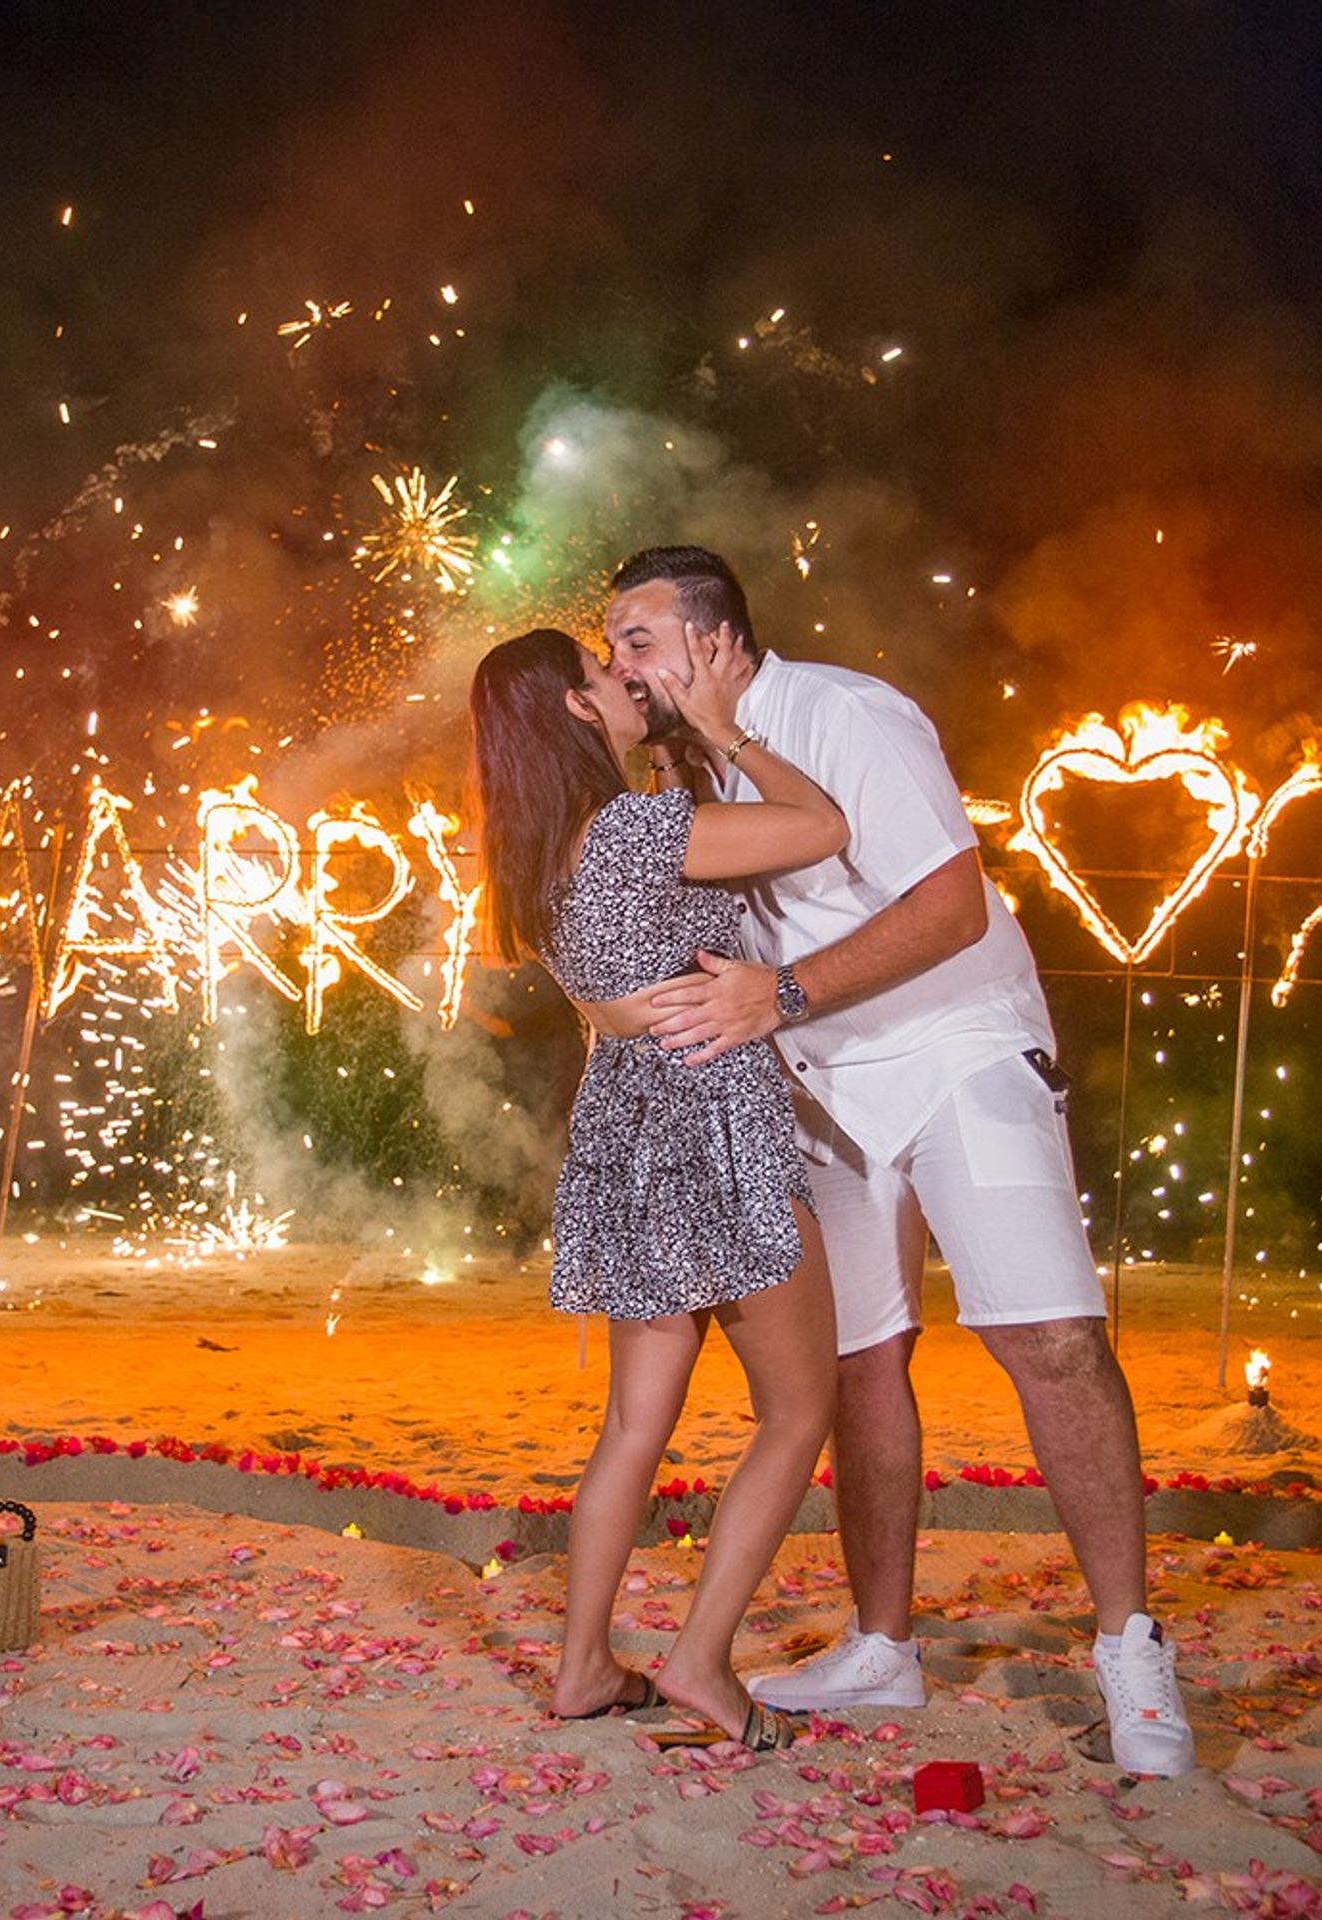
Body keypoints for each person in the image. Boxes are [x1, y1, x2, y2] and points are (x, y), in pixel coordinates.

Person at [603, 546, 1196, 1778]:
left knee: (1053, 1339)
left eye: (641, 639)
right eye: (613, 648)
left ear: (717, 639)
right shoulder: (681, 765)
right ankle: (883, 1647)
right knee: (865, 1362)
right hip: (823, 1082)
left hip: (959, 1052)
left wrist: (786, 994)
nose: (621, 664)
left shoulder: (845, 713)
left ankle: (1131, 1649)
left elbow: (952, 906)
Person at [468, 623, 843, 1753]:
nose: (626, 677)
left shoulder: (539, 856)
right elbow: (824, 827)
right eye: (602, 673)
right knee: (799, 1406)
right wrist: (728, 726)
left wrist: (680, 749)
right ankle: (698, 1661)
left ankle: (584, 1667)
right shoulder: (634, 831)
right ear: (577, 711)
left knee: (636, 1421)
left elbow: (610, 988)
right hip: (708, 1118)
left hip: (627, 1130)